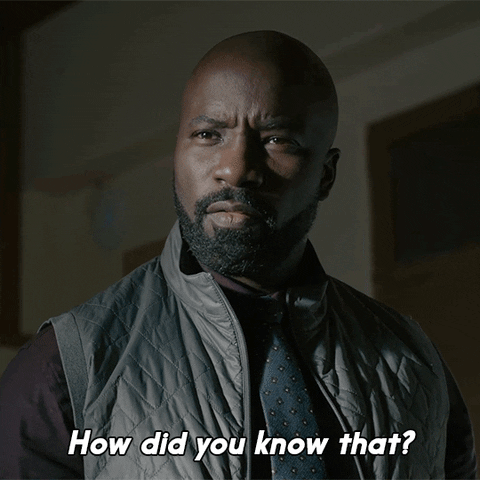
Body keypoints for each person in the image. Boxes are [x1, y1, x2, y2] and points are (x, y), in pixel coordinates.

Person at [0, 31, 476, 480]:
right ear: (177, 155)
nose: (235, 168)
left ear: (326, 175)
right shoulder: (65, 368)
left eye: (277, 140)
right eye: (209, 135)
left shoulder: (413, 359)